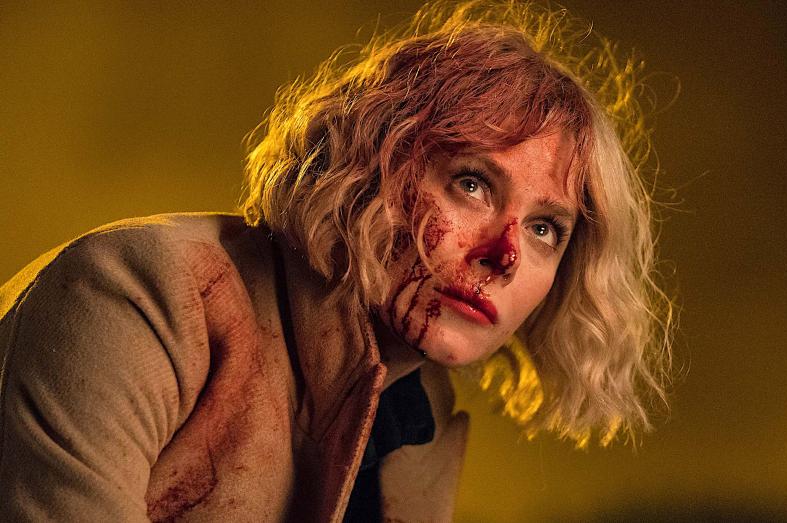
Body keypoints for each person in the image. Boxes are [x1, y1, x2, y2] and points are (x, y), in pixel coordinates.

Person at [0, 0, 673, 521]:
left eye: (546, 228)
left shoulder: (419, 414)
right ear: (368, 167)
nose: (505, 255)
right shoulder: (141, 298)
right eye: (472, 184)